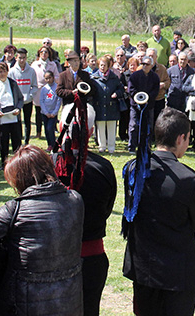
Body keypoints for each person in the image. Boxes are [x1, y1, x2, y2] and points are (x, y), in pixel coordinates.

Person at [0, 145, 84, 315]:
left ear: (21, 179)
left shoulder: (16, 209)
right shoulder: (75, 200)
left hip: (24, 303)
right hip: (68, 301)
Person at [123, 107, 195, 315]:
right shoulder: (189, 179)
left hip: (144, 270)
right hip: (177, 273)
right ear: (181, 138)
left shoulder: (135, 169)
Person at [53, 105, 117, 316]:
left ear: (61, 126)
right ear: (90, 131)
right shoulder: (104, 167)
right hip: (91, 258)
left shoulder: (46, 165)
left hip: (52, 258)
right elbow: (107, 209)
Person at [0, 62, 24, 165]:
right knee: (3, 142)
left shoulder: (13, 83)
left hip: (13, 115)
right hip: (1, 117)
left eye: (4, 71)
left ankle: (18, 162)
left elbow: (20, 98)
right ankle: (4, 163)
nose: (2, 74)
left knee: (16, 141)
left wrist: (18, 108)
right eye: (0, 71)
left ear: (7, 72)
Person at [127, 56, 160, 152]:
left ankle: (146, 147)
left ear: (152, 65)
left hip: (148, 106)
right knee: (133, 126)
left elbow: (155, 91)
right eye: (143, 64)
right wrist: (138, 98)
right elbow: (131, 89)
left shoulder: (155, 77)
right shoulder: (135, 76)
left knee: (148, 126)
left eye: (147, 64)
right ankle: (132, 147)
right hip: (135, 105)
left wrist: (147, 98)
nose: (145, 66)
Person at [92, 55, 124, 153]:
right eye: (101, 65)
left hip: (112, 106)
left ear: (108, 66)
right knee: (100, 126)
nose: (102, 67)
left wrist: (117, 93)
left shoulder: (114, 77)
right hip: (99, 105)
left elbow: (121, 89)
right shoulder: (94, 77)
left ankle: (111, 147)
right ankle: (102, 146)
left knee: (111, 127)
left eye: (104, 65)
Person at [9, 48, 38, 144]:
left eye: (24, 58)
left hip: (28, 100)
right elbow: (10, 86)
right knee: (17, 121)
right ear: (16, 57)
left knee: (27, 121)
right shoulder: (12, 71)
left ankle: (26, 141)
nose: (22, 60)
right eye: (20, 58)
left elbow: (34, 86)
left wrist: (30, 96)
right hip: (17, 101)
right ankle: (18, 140)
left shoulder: (31, 71)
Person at [38, 71, 61, 150]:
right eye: (46, 78)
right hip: (45, 113)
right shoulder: (44, 88)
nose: (48, 80)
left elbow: (58, 101)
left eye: (49, 78)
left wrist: (54, 112)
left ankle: (54, 143)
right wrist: (45, 112)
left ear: (53, 77)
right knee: (46, 129)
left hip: (53, 113)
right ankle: (49, 144)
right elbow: (41, 101)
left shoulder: (57, 88)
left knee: (50, 128)